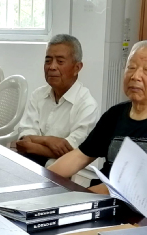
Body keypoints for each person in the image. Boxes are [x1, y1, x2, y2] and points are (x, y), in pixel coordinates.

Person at [49, 40, 147, 193]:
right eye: (131, 67)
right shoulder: (115, 114)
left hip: (136, 202)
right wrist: (43, 177)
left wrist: (96, 193)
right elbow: (80, 156)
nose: (135, 76)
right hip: (101, 196)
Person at [11, 34, 99, 167]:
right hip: (31, 164)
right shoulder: (38, 95)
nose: (52, 67)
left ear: (77, 68)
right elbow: (23, 140)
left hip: (63, 171)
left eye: (60, 61)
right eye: (48, 61)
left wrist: (33, 145)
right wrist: (49, 141)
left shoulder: (87, 105)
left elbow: (72, 153)